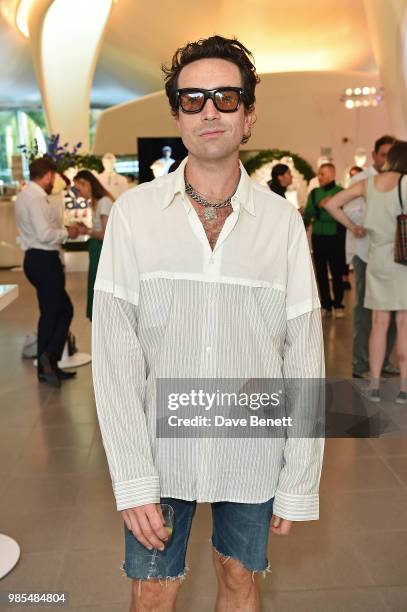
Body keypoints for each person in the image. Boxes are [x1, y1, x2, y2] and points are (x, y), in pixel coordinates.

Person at [92, 35, 324, 612]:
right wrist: (131, 478)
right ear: (177, 114)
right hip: (159, 448)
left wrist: (300, 477)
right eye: (193, 99)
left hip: (252, 445)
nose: (210, 111)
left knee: (239, 580)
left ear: (248, 116)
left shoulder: (281, 223)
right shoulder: (135, 216)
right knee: (151, 591)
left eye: (226, 97)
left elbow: (305, 353)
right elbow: (115, 354)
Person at [324, 140, 407, 404]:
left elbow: (331, 204)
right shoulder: (406, 182)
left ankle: (373, 385)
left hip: (377, 258)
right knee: (404, 325)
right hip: (403, 258)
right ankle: (404, 389)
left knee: (378, 324)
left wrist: (354, 227)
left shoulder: (368, 184)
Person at [15, 157, 83, 387]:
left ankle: (49, 364)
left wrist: (61, 229)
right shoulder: (34, 199)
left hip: (37, 258)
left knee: (57, 311)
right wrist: (67, 233)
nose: (53, 181)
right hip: (43, 259)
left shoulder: (27, 195)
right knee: (57, 312)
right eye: (52, 176)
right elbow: (44, 234)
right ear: (46, 175)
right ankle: (47, 360)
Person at [341, 135, 398, 378]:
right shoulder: (361, 179)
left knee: (394, 311)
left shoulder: (398, 180)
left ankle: (384, 360)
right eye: (384, 154)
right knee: (366, 312)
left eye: (391, 155)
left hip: (393, 255)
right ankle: (360, 364)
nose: (387, 160)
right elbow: (348, 209)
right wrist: (373, 219)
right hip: (366, 253)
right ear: (374, 156)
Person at [303, 163, 345, 317]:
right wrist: (321, 208)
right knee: (320, 273)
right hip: (318, 237)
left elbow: (341, 216)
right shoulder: (314, 193)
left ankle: (339, 304)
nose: (319, 177)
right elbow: (308, 213)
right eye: (319, 174)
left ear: (333, 175)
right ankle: (326, 305)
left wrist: (322, 212)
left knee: (337, 271)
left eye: (323, 174)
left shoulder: (341, 192)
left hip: (336, 237)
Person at [73, 170, 114, 321]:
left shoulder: (104, 202)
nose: (78, 193)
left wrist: (87, 231)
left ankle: (102, 319)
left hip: (101, 250)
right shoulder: (99, 203)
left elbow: (106, 234)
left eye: (78, 189)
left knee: (99, 286)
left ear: (88, 184)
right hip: (97, 249)